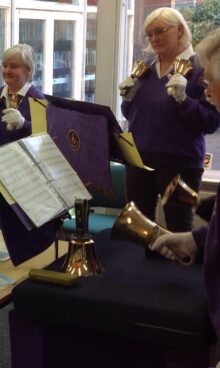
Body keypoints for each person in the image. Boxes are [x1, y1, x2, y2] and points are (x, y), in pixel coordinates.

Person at [150, 27, 220, 368]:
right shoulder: (147, 68)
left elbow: (206, 121)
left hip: (180, 159)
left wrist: (183, 99)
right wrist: (198, 239)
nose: (206, 89)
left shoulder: (188, 72)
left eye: (209, 83)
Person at [119, 7, 219, 233]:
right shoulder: (145, 69)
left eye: (160, 31)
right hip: (139, 161)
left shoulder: (200, 69)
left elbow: (211, 122)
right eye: (150, 34)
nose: (154, 39)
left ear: (180, 30)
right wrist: (128, 101)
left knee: (177, 232)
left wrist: (184, 100)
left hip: (179, 165)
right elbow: (136, 115)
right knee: (137, 229)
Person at [0, 43, 45, 152]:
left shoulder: (37, 99)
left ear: (27, 70)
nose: (7, 71)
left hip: (19, 166)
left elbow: (43, 141)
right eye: (5, 65)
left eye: (13, 66)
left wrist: (24, 124)